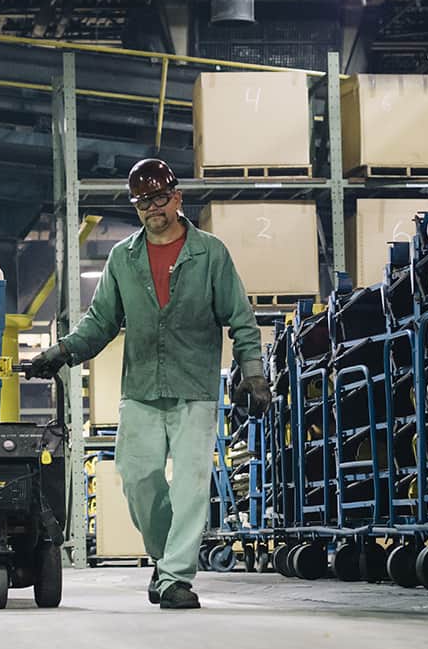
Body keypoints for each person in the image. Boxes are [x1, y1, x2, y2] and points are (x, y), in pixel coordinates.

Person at [27, 158, 271, 610]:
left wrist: (252, 372)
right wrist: (62, 352)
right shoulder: (124, 258)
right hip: (140, 387)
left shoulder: (210, 253)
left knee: (192, 485)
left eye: (160, 198)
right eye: (143, 202)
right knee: (138, 480)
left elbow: (240, 317)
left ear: (177, 198)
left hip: (194, 386)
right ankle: (164, 559)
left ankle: (177, 577)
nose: (153, 209)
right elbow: (100, 322)